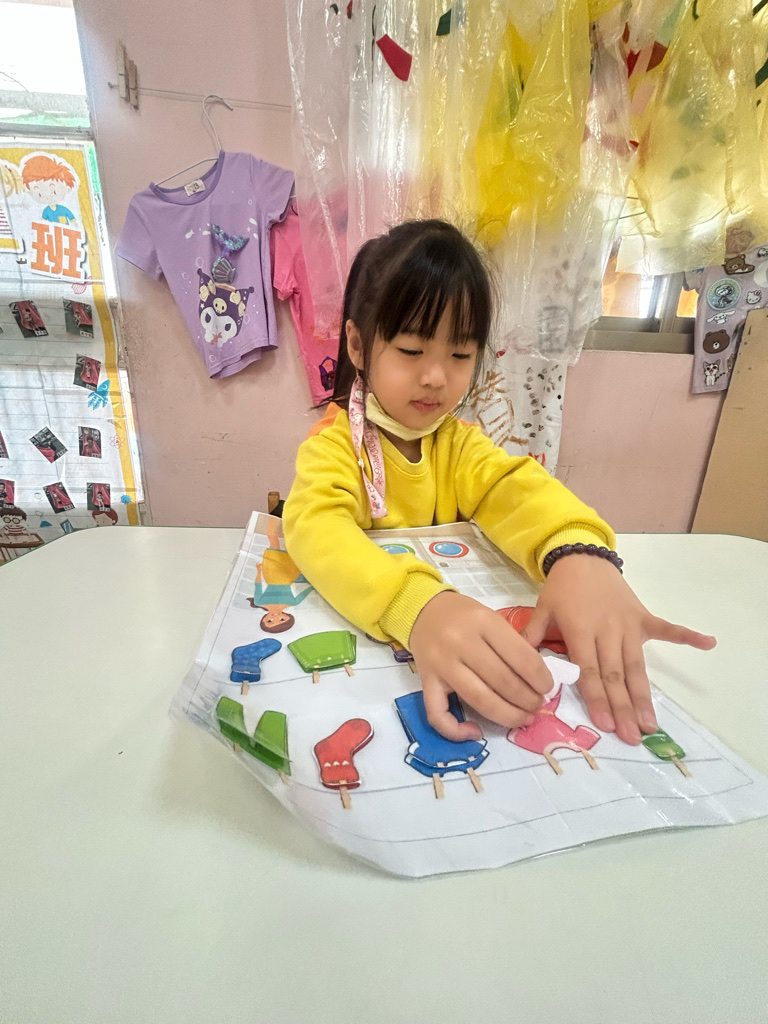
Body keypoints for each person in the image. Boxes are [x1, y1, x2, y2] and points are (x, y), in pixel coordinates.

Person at [283, 220, 717, 744]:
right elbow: (315, 527)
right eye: (412, 350)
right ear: (357, 344)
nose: (436, 377)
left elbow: (514, 488)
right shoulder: (334, 446)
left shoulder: (458, 444)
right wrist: (414, 606)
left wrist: (576, 551)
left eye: (460, 355)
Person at [248, 518, 313, 633]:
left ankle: (273, 516)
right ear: (288, 617)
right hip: (289, 574)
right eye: (282, 620)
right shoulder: (292, 602)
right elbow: (308, 590)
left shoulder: (259, 602)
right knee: (294, 548)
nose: (276, 617)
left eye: (270, 621)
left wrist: (258, 571)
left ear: (264, 620)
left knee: (273, 539)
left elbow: (258, 585)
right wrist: (313, 583)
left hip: (271, 573)